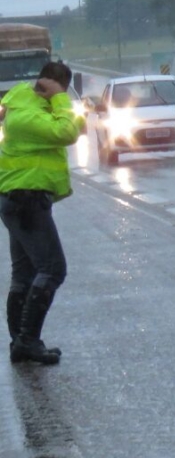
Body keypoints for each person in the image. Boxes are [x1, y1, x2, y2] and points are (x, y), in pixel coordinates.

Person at [0, 62, 84, 365]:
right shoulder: (26, 117)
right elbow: (67, 132)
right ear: (50, 89)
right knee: (53, 268)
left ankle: (20, 343)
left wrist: (60, 103)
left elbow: (77, 126)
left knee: (24, 273)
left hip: (21, 199)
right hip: (26, 200)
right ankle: (27, 340)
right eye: (58, 93)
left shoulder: (24, 103)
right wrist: (61, 99)